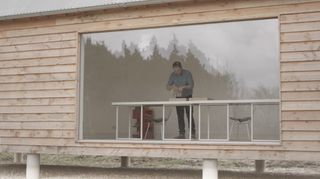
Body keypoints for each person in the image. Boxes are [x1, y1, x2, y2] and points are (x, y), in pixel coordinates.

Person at [167, 61, 196, 139]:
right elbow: (167, 86)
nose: (176, 72)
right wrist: (173, 87)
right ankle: (181, 134)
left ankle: (193, 133)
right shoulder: (173, 75)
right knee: (180, 115)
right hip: (178, 97)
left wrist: (183, 87)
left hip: (187, 96)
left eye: (178, 70)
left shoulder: (187, 73)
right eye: (175, 70)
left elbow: (191, 85)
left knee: (189, 114)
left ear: (181, 68)